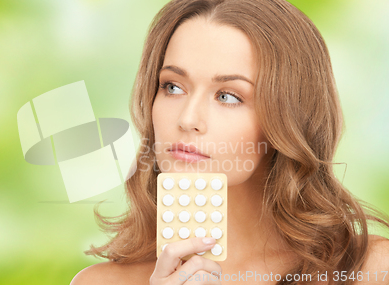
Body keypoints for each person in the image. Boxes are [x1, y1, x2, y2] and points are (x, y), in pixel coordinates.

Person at [71, 0, 389, 284]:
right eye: (172, 87)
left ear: (289, 118)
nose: (188, 119)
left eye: (228, 96)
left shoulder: (372, 270)